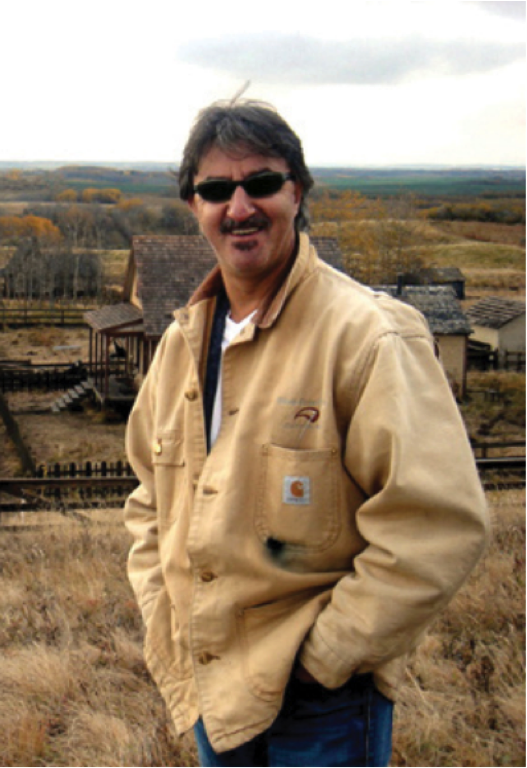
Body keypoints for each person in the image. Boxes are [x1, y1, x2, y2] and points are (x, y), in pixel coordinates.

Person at [123, 99, 490, 767]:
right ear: (193, 205)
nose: (238, 206)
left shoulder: (368, 336)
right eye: (214, 189)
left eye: (259, 182)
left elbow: (436, 526)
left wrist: (321, 659)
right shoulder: (181, 344)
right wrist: (162, 614)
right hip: (209, 691)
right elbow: (149, 498)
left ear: (296, 191)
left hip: (319, 705)